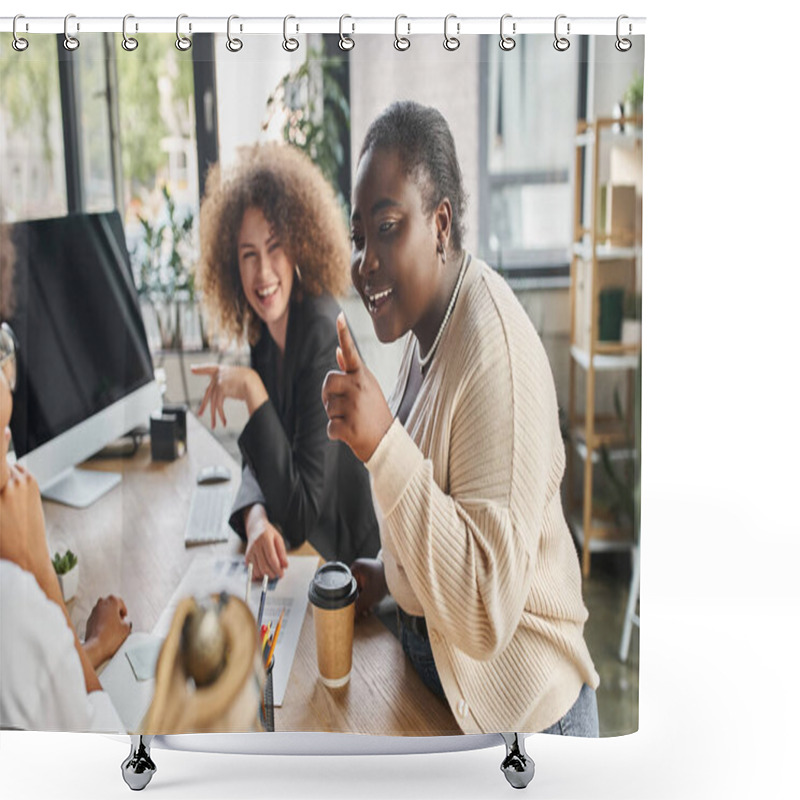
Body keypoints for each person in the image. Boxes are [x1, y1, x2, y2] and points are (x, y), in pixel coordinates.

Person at [322, 101, 600, 736]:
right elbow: (445, 509)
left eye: (387, 227)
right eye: (359, 235)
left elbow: (483, 610)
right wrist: (389, 580)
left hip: (528, 727)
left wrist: (384, 445)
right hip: (450, 698)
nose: (364, 261)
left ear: (440, 223)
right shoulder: (426, 334)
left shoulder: (492, 352)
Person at [193, 143, 379, 580]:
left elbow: (299, 517)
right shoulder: (263, 329)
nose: (262, 273)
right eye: (248, 254)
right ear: (231, 263)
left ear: (299, 245)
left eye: (274, 247)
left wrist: (253, 392)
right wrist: (255, 518)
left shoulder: (320, 333)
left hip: (342, 566)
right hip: (298, 562)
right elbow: (257, 456)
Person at [0, 235, 131, 731]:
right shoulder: (11, 607)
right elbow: (119, 768)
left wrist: (86, 649)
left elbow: (36, 696)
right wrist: (37, 573)